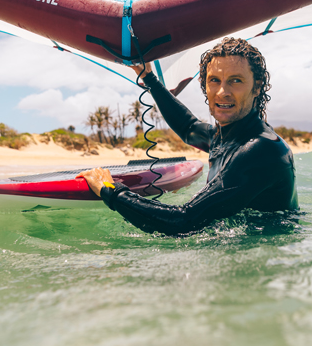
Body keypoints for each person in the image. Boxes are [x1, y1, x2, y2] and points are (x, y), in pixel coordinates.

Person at [77, 37, 298, 236]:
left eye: (236, 80)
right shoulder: (226, 137)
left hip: (264, 260)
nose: (223, 92)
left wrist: (111, 191)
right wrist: (148, 77)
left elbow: (184, 221)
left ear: (257, 87)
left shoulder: (261, 149)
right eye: (214, 81)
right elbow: (188, 127)